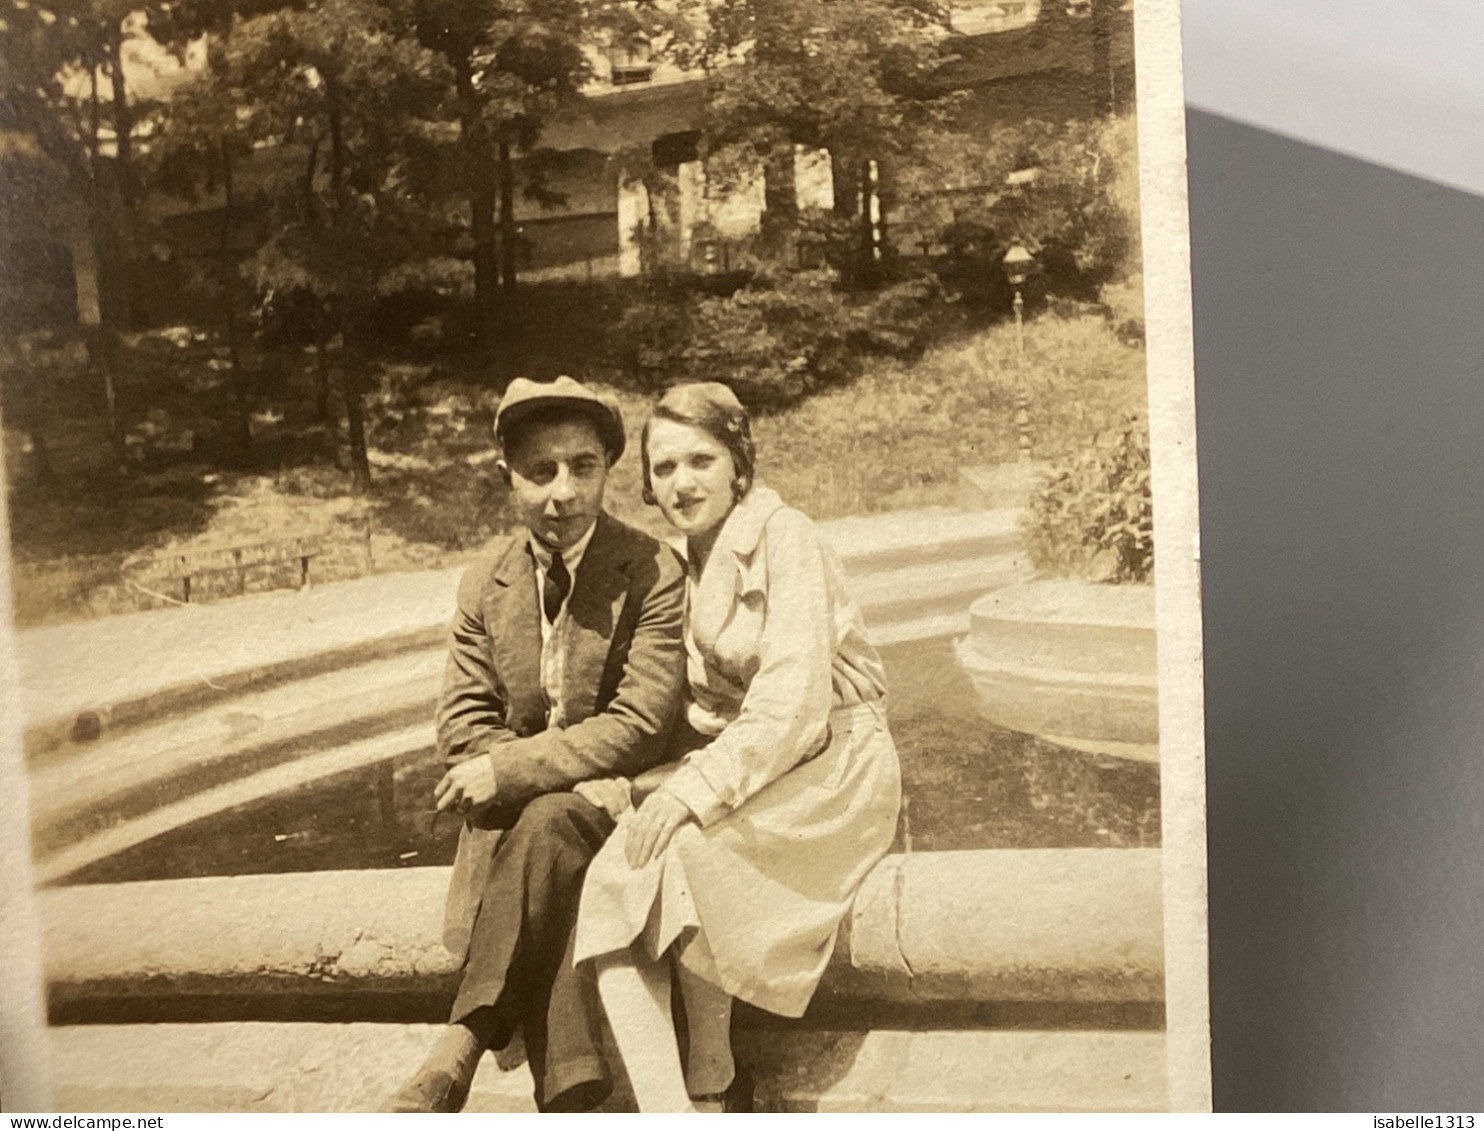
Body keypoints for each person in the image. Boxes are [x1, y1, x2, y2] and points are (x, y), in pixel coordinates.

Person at [572, 382, 903, 1112]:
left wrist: (689, 792)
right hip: (755, 765)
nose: (682, 482)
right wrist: (631, 781)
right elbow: (694, 714)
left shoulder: (788, 537)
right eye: (664, 468)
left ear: (738, 466)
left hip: (834, 763)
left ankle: (710, 1078)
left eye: (700, 459)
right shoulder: (683, 561)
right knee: (617, 874)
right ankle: (682, 1108)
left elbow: (793, 703)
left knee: (684, 854)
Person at [383, 376, 687, 1113]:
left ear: (607, 468)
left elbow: (641, 721)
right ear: (506, 474)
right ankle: (571, 1095)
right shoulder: (484, 582)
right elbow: (461, 725)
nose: (563, 491)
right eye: (540, 470)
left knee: (550, 816)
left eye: (583, 466)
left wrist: (514, 766)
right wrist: (533, 772)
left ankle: (459, 1043)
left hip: (625, 800)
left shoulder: (651, 570)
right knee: (548, 827)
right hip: (546, 821)